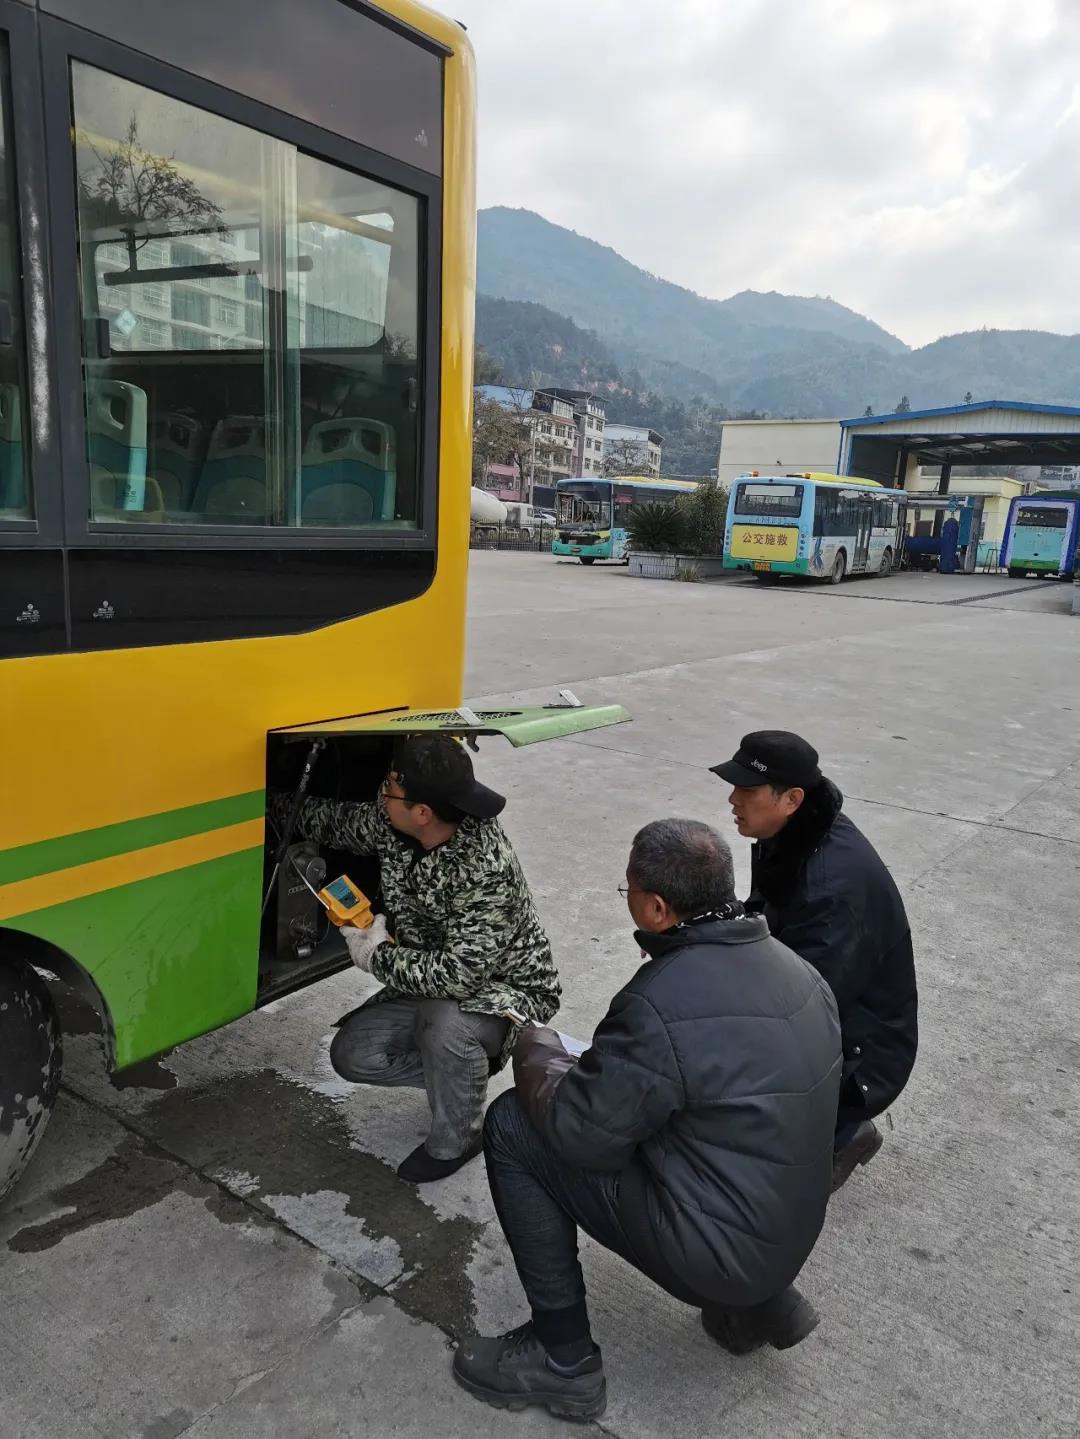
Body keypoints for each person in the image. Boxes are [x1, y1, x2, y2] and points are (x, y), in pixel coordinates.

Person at [452, 819, 841, 1422]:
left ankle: (563, 1360)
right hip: (786, 1231)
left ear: (656, 907)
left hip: (721, 1253)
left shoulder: (659, 1001)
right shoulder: (801, 972)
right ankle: (765, 1304)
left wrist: (535, 1048)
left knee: (512, 1125)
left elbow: (578, 1134)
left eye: (627, 889)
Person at [279, 733, 560, 1184]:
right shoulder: (397, 822)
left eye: (389, 791)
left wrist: (376, 955)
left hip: (503, 991)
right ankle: (461, 1080)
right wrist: (264, 806)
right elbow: (336, 822)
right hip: (433, 982)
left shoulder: (484, 868)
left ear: (423, 812)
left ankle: (460, 1137)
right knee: (354, 1054)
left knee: (446, 1025)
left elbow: (460, 976)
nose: (381, 797)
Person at [710, 730, 918, 1191]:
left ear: (792, 798)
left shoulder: (832, 888)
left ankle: (843, 1134)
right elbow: (763, 915)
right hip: (825, 995)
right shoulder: (794, 831)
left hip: (864, 1060)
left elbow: (800, 1009)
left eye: (746, 789)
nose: (732, 798)